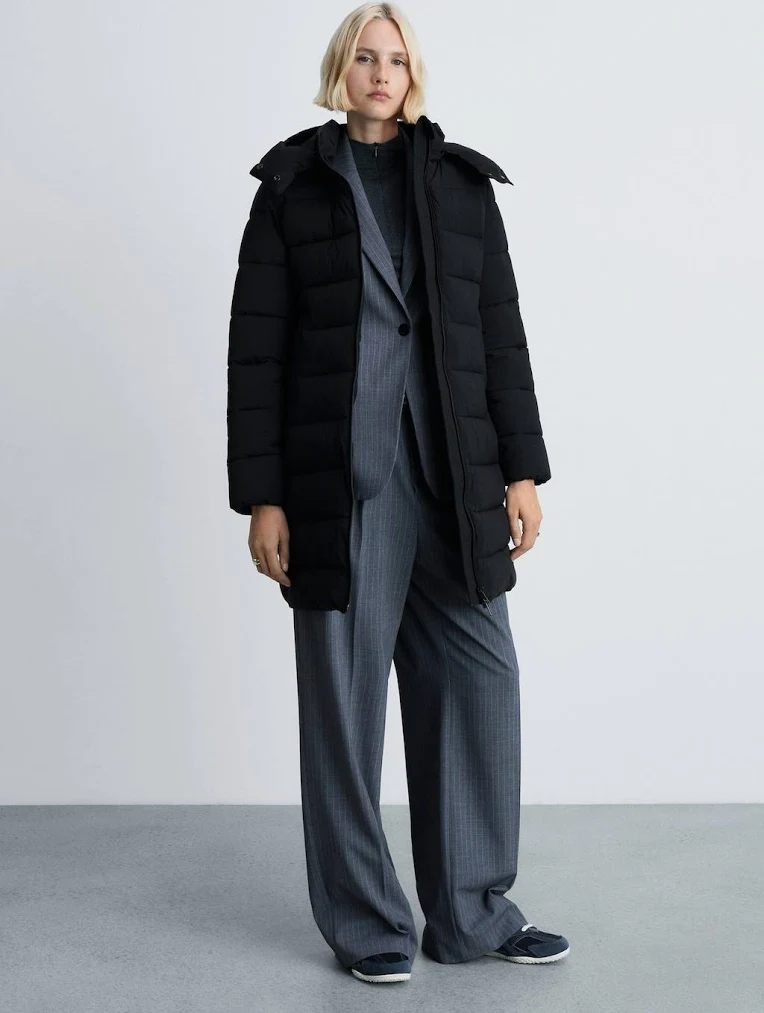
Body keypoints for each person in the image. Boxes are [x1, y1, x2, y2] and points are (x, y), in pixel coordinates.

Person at [226, 1, 569, 984]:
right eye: (365, 57)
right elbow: (258, 353)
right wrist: (265, 496)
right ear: (340, 70)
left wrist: (520, 470)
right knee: (342, 705)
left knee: (479, 679)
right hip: (340, 484)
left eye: (397, 58)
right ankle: (367, 920)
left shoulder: (461, 185)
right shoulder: (290, 188)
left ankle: (471, 911)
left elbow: (498, 334)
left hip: (451, 475)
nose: (382, 73)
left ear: (414, 74)